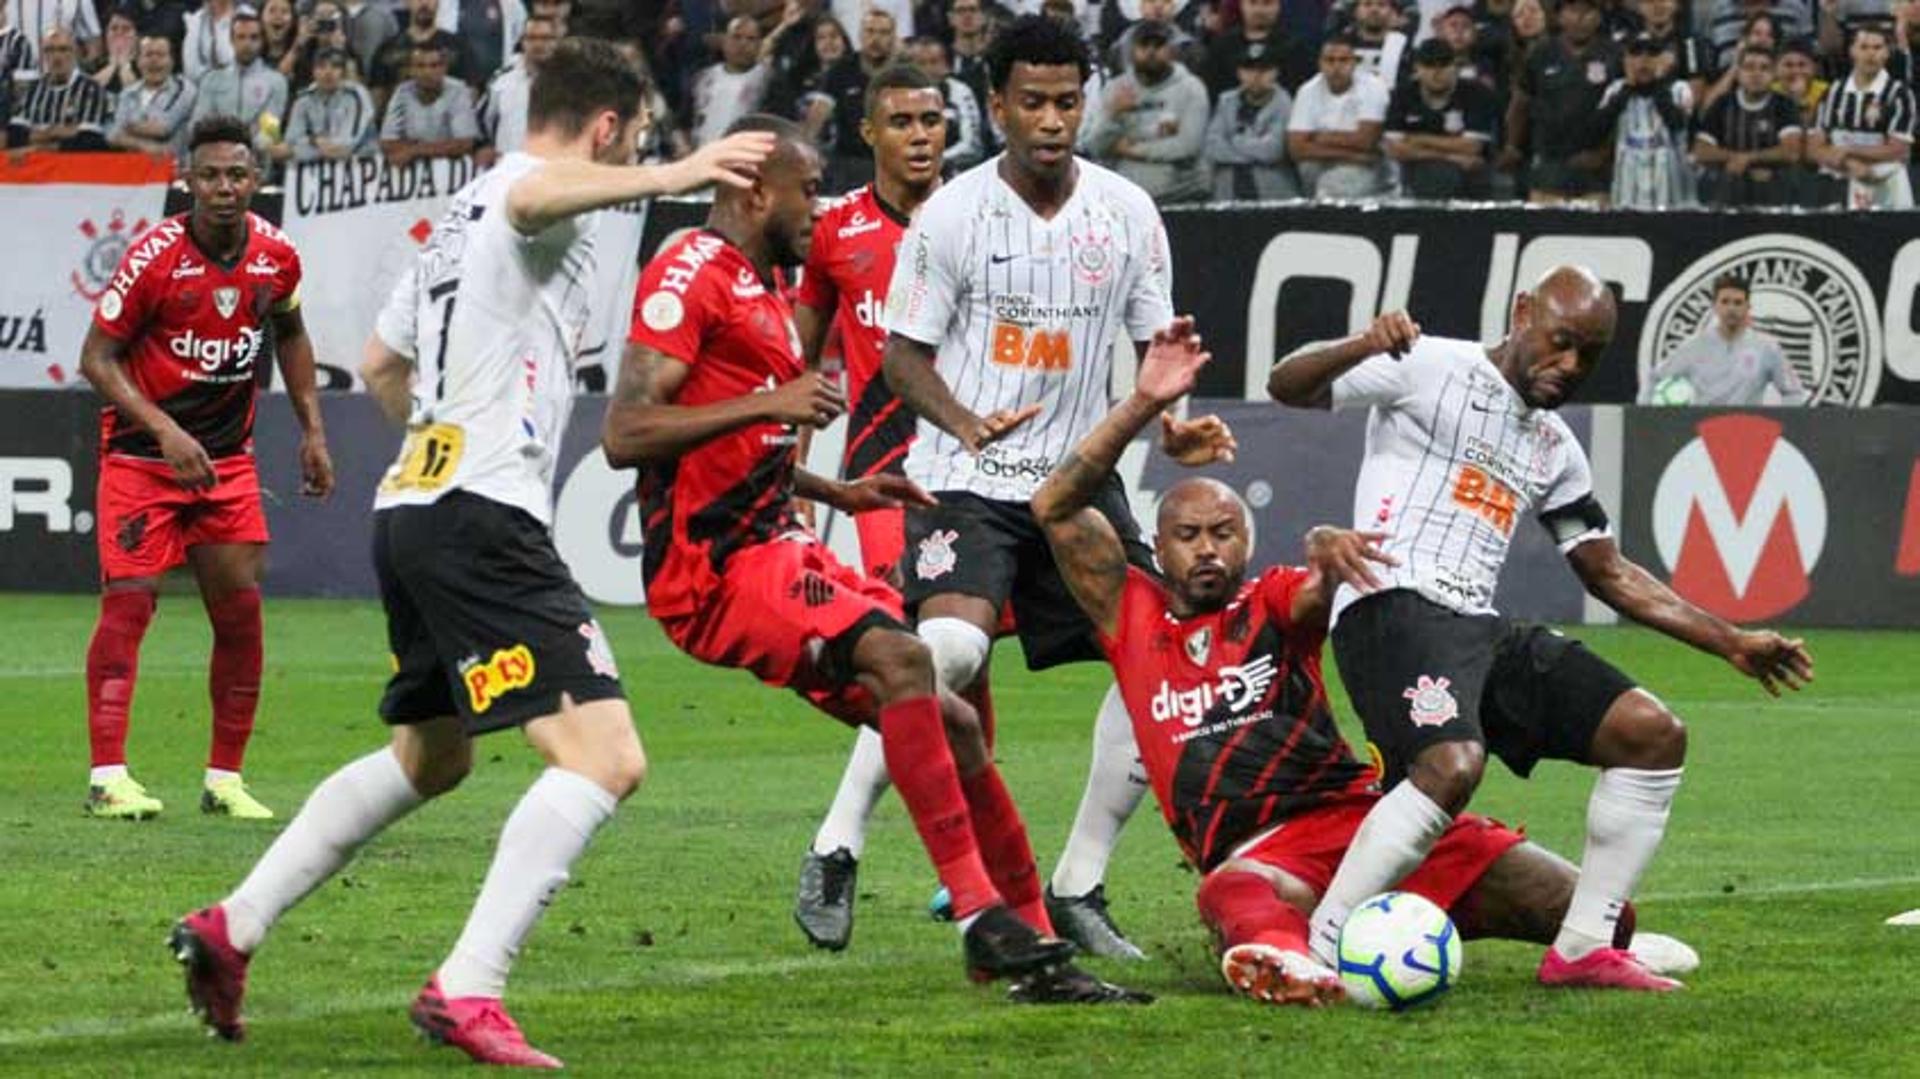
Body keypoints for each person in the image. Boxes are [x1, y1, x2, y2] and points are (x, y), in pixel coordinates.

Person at [167, 42, 774, 1066]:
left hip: (416, 504)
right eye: (633, 141)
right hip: (482, 515)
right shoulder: (532, 195)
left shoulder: (456, 220)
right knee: (604, 755)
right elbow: (537, 199)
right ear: (609, 129)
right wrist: (674, 175)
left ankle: (233, 925)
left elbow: (378, 362)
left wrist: (444, 437)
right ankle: (468, 983)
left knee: (433, 753)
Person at [608, 111, 1143, 1005]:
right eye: (807, 187)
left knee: (954, 715)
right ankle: (980, 915)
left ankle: (1034, 950)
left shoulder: (761, 288)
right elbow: (627, 432)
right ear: (755, 188)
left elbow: (743, 449)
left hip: (772, 536)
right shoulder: (688, 269)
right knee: (902, 657)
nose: (817, 206)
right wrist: (768, 402)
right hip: (713, 568)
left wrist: (838, 493)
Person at [1034, 317, 1695, 1006]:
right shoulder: (1129, 613)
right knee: (1231, 892)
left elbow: (1322, 589)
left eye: (1224, 534)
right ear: (1158, 547)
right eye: (1189, 535)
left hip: (1355, 817)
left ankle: (1583, 941)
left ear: (1247, 541)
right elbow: (1052, 504)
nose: (1207, 550)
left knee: (1604, 910)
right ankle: (1295, 962)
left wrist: (1327, 549)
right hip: (1259, 850)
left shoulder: (1272, 598)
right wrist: (1144, 401)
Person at [1267, 265, 1815, 992]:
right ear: (1523, 312)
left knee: (1652, 734)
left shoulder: (1555, 447)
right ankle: (1324, 940)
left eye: (1588, 355)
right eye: (1560, 343)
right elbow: (1288, 383)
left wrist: (1733, 641)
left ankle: (1582, 949)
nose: (1570, 367)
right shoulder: (1429, 365)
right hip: (1389, 605)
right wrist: (1363, 341)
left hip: (1478, 628)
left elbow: (1609, 572)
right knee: (1453, 764)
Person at [876, 14, 1237, 962]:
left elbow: (1161, 352)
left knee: (1154, 663)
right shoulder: (950, 213)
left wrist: (1174, 421)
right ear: (996, 107)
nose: (1050, 119)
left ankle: (1078, 880)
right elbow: (900, 356)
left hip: (1078, 483)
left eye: (1067, 101)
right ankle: (837, 843)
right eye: (1030, 102)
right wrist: (960, 420)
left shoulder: (1127, 212)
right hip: (966, 478)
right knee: (944, 651)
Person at [75, 116, 332, 823]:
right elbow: (96, 356)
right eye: (210, 176)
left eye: (237, 175)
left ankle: (224, 780)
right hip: (140, 455)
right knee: (129, 604)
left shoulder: (277, 256)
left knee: (242, 615)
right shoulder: (155, 257)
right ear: (187, 182)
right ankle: (107, 775)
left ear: (255, 180)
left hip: (226, 463)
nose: (224, 188)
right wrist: (164, 431)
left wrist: (313, 430)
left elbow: (291, 332)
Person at [789, 64, 957, 951]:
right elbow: (801, 370)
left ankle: (957, 864)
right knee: (928, 650)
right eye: (902, 120)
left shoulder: (981, 217)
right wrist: (791, 485)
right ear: (870, 132)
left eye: (932, 118)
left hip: (980, 471)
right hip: (887, 471)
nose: (921, 134)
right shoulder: (835, 234)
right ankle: (838, 840)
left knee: (959, 665)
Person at [1083, 19, 1212, 203]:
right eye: (1144, 45)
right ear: (1132, 50)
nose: (1151, 51)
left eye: (1158, 45)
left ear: (1171, 50)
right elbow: (1095, 146)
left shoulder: (1191, 88)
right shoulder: (1116, 88)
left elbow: (1187, 146)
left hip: (1181, 193)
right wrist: (1112, 113)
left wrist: (1133, 150)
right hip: (1124, 194)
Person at [1502, 0, 1618, 204]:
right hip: (1550, 160)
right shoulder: (1541, 53)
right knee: (1544, 224)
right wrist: (1512, 145)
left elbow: (1623, 111)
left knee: (1595, 229)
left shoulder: (1614, 54)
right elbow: (1520, 103)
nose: (1580, 18)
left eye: (1588, 11)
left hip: (1597, 165)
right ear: (1558, 16)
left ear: (1599, 17)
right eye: (1573, 10)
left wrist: (1603, 153)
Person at [1639, 273, 1811, 405]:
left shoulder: (1766, 348)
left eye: (1738, 303)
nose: (1731, 308)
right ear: (1714, 306)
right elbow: (1655, 377)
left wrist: (1782, 425)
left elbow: (1794, 392)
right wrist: (1644, 416)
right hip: (1701, 432)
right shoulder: (1694, 346)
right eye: (1725, 302)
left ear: (1747, 307)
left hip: (1750, 431)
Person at [1809, 25, 1917, 209]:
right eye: (1864, 47)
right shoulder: (1833, 92)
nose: (1870, 54)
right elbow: (1814, 147)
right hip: (1838, 180)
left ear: (1886, 53)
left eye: (1877, 48)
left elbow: (1898, 150)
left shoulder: (1899, 94)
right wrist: (1848, 162)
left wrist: (1848, 150)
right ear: (1852, 51)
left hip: (1885, 181)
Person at [1693, 44, 1806, 207]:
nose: (1756, 74)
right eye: (1749, 67)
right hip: (1730, 183)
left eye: (1764, 68)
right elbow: (1701, 151)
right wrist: (1738, 161)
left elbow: (1791, 152)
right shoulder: (1723, 104)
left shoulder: (1784, 105)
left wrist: (1747, 159)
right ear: (1738, 73)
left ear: (1773, 75)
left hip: (1773, 187)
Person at [1384, 37, 1498, 198]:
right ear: (1417, 68)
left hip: (1469, 179)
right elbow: (1394, 148)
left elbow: (1472, 147)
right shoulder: (1402, 94)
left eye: (1444, 65)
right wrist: (1451, 156)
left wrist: (1416, 139)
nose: (1437, 72)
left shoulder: (1477, 93)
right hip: (1415, 172)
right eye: (1429, 65)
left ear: (1455, 66)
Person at [1594, 32, 1696, 209]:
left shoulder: (1680, 89)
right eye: (1636, 54)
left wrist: (1658, 82)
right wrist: (1628, 88)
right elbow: (1596, 130)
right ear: (1626, 59)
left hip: (1673, 196)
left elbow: (1677, 124)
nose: (1644, 60)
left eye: (1652, 54)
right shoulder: (1615, 90)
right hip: (1626, 194)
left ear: (1664, 59)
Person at [1286, 34, 1391, 198]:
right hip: (1342, 160)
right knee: (1307, 166)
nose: (1336, 66)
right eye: (1330, 60)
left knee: (1336, 186)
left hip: (1367, 167)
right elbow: (1296, 148)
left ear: (1355, 63)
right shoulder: (1307, 90)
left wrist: (1318, 137)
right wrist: (1353, 154)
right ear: (1320, 63)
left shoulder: (1373, 87)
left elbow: (1367, 141)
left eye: (1343, 60)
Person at [190, 7, 290, 159]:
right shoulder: (212, 80)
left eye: (253, 37)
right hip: (216, 161)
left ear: (262, 41)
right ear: (231, 40)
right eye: (241, 37)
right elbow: (197, 125)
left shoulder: (276, 82)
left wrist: (240, 147)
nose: (247, 44)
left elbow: (269, 133)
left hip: (257, 165)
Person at [1205, 51, 1299, 200]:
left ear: (1275, 73)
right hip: (1227, 186)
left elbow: (1272, 151)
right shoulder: (1226, 100)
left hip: (1272, 188)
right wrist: (1252, 150)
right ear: (1239, 73)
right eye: (1249, 70)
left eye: (1264, 70)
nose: (1256, 76)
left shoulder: (1285, 103)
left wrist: (1235, 140)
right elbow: (1213, 147)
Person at [7, 28, 109, 151]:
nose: (56, 56)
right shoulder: (32, 90)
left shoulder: (91, 89)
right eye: (49, 50)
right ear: (42, 55)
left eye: (63, 49)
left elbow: (89, 141)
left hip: (74, 166)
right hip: (35, 165)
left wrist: (38, 141)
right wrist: (54, 132)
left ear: (75, 52)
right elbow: (14, 136)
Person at [378, 42, 478, 166]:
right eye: (420, 66)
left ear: (444, 68)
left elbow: (465, 143)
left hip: (450, 170)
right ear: (411, 70)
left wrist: (413, 150)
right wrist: (439, 147)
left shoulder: (458, 90)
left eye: (434, 65)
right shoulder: (402, 92)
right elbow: (387, 142)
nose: (427, 72)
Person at [478, 14, 558, 165]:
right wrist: (484, 147)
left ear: (556, 42)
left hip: (552, 170)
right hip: (508, 169)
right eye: (532, 38)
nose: (538, 44)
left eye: (545, 38)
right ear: (522, 42)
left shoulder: (570, 83)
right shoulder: (501, 81)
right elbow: (482, 123)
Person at [108, 35, 196, 160]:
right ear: (138, 62)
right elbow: (113, 135)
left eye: (160, 55)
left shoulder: (184, 88)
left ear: (172, 61)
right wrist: (144, 146)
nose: (154, 60)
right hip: (135, 169)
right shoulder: (128, 93)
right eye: (148, 55)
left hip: (173, 169)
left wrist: (127, 128)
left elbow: (163, 128)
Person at [278, 47, 374, 162]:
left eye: (335, 67)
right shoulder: (303, 99)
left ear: (343, 72)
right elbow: (289, 144)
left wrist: (307, 145)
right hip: (317, 172)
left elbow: (344, 149)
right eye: (321, 67)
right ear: (313, 71)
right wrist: (314, 141)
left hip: (362, 168)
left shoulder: (357, 96)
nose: (328, 72)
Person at [690, 15, 771, 147]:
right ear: (724, 41)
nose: (743, 44)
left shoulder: (769, 80)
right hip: (702, 157)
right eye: (736, 37)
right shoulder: (703, 78)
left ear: (760, 45)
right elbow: (685, 122)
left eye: (751, 39)